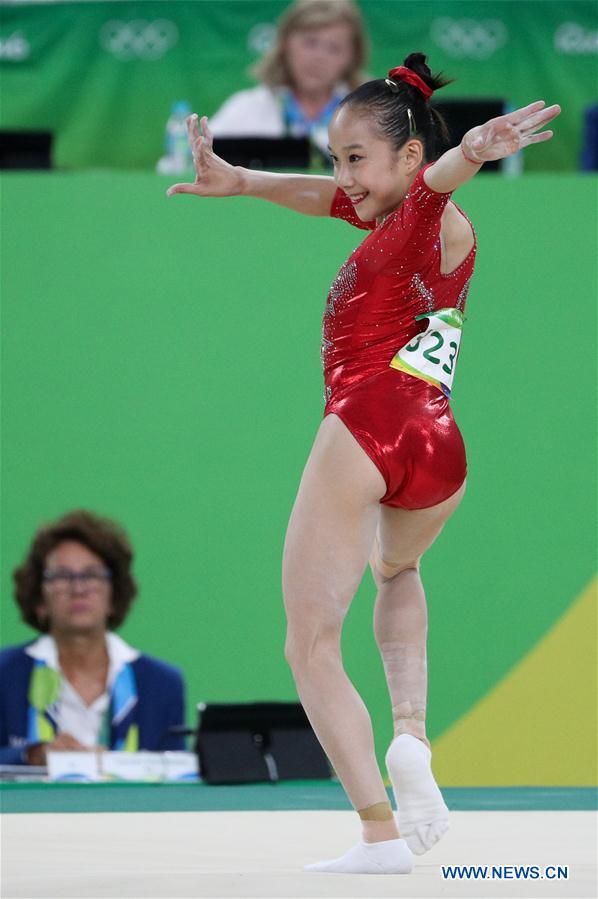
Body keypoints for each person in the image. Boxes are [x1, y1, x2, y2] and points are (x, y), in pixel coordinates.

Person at [167, 53, 559, 874]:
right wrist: (240, 179)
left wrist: (477, 149)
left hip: (367, 419)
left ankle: (379, 830)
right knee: (396, 571)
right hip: (438, 444)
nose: (339, 176)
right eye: (335, 157)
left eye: (355, 158)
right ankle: (411, 733)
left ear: (410, 157)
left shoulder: (426, 205)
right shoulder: (407, 225)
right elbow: (328, 201)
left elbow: (445, 177)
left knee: (310, 644)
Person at [0, 509, 186, 765]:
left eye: (92, 575)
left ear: (114, 596)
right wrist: (30, 755)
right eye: (62, 576)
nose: (78, 589)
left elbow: (176, 776)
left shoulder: (161, 683)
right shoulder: (5, 673)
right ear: (39, 599)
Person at [209, 0, 368, 160]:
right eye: (310, 42)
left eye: (334, 48)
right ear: (285, 44)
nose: (319, 57)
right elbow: (201, 160)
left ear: (352, 56)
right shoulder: (245, 109)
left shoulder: (369, 115)